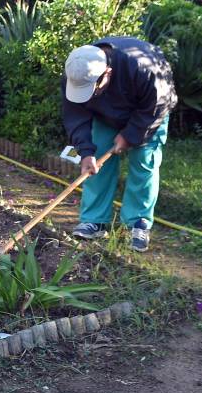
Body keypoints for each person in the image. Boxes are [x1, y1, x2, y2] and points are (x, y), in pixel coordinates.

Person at [62, 36, 177, 252]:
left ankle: (137, 223)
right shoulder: (77, 69)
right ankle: (94, 220)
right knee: (96, 163)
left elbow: (156, 107)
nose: (89, 94)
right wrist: (85, 152)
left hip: (149, 114)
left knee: (144, 162)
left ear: (107, 74)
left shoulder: (143, 67)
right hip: (106, 115)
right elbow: (74, 115)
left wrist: (130, 135)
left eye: (92, 89)